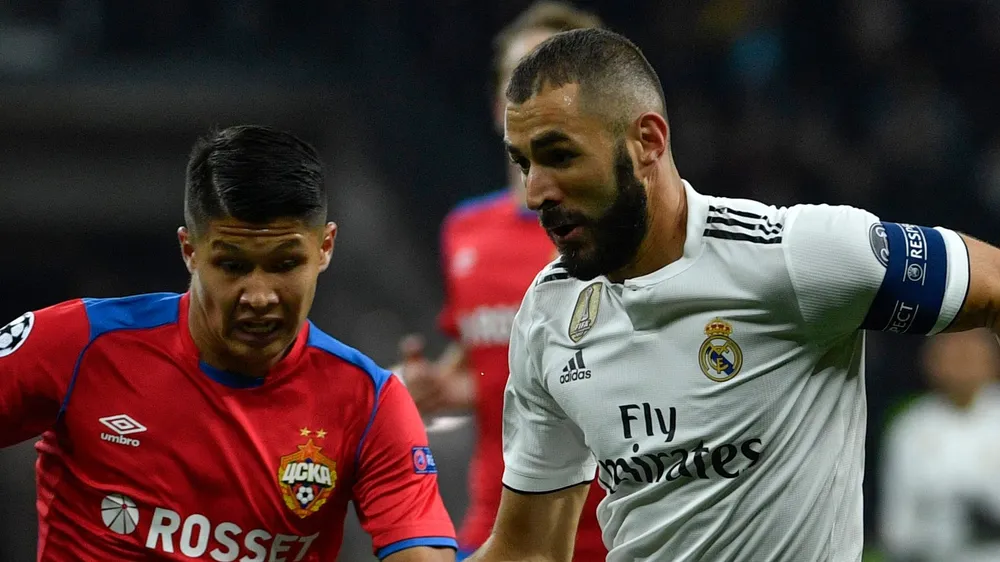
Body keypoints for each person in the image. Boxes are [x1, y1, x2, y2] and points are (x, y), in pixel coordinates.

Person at [466, 27, 1000, 562]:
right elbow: (529, 550)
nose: (535, 193)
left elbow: (993, 283)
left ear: (648, 141)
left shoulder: (793, 256)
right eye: (525, 163)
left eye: (560, 156)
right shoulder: (548, 312)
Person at [0, 125, 457, 561]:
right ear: (190, 251)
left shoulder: (370, 403)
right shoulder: (79, 343)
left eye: (285, 264)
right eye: (233, 266)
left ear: (325, 247)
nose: (259, 297)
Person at [395, 3, 607, 561]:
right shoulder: (464, 231)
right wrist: (445, 389)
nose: (538, 94)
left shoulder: (628, 231)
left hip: (618, 535)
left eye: (558, 77)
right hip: (498, 532)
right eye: (521, 78)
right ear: (497, 106)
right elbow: (483, 359)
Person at [881, 329, 1000, 562]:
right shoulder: (910, 427)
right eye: (952, 352)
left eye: (971, 352)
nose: (962, 360)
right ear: (930, 362)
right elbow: (895, 524)